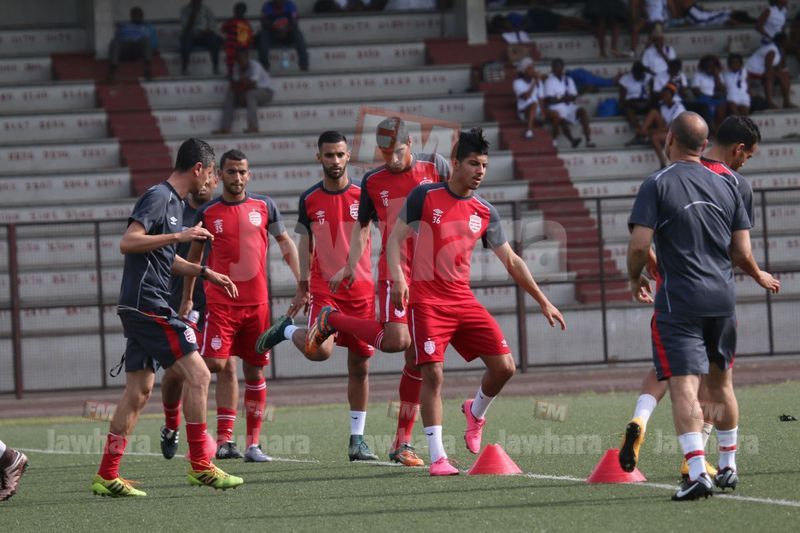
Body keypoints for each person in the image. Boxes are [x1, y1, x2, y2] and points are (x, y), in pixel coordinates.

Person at [384, 128, 565, 475]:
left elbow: (511, 260)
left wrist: (543, 300)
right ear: (455, 163)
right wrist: (399, 277)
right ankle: (438, 457)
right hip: (427, 302)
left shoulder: (484, 211)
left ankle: (475, 411)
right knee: (433, 373)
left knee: (505, 367)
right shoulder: (425, 195)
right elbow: (394, 240)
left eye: (484, 165)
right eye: (473, 164)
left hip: (463, 301)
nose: (480, 171)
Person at [619, 115, 781, 479]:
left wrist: (641, 272)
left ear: (671, 139)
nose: (745, 161)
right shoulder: (733, 184)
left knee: (679, 380)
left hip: (678, 296)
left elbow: (640, 242)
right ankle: (726, 464)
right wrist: (756, 273)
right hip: (721, 296)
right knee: (719, 383)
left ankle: (688, 461)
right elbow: (740, 251)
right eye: (748, 155)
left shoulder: (661, 181)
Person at [92, 138, 243, 497]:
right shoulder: (160, 197)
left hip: (139, 304)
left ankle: (107, 475)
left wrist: (204, 272)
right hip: (147, 303)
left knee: (139, 391)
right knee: (199, 374)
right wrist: (180, 234)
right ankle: (201, 465)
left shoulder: (173, 203)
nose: (211, 181)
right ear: (198, 169)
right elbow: (129, 242)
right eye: (211, 174)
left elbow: (162, 257)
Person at [306, 117, 451, 466]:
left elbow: (455, 201)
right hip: (394, 272)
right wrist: (350, 264)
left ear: (410, 144)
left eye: (398, 151)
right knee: (396, 341)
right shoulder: (373, 181)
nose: (392, 159)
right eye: (386, 153)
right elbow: (362, 227)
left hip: (431, 277)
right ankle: (332, 319)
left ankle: (402, 442)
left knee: (419, 360)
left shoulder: (436, 167)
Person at [256, 131, 383, 462]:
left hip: (361, 291)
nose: (335, 161)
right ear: (319, 158)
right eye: (329, 155)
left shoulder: (364, 195)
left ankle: (357, 440)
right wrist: (302, 285)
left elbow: (381, 232)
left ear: (348, 156)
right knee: (318, 352)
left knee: (360, 365)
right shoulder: (309, 198)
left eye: (340, 154)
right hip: (325, 289)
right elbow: (304, 243)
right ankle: (286, 331)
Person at [181, 149, 304, 463]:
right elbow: (194, 259)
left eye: (242, 172)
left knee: (255, 368)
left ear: (249, 175)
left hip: (257, 304)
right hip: (221, 303)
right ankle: (213, 435)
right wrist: (187, 297)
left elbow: (286, 243)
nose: (237, 177)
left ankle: (251, 445)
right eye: (231, 172)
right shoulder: (207, 212)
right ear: (219, 175)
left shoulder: (264, 206)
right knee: (216, 364)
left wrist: (302, 282)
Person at [158, 169, 239, 461]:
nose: (204, 184)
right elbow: (165, 257)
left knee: (227, 364)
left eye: (210, 178)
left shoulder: (220, 212)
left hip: (216, 301)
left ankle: (224, 440)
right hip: (181, 302)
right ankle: (171, 425)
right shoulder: (175, 211)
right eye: (201, 176)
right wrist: (185, 297)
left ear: (216, 180)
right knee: (176, 370)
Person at [215, 49, 274, 135]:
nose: (242, 61)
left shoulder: (255, 66)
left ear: (247, 57)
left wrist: (242, 84)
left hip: (266, 91)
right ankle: (225, 128)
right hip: (246, 92)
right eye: (239, 59)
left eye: (244, 58)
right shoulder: (236, 67)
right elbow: (234, 85)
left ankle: (253, 126)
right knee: (230, 94)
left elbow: (252, 84)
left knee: (250, 94)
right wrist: (240, 93)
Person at [543, 58, 595, 148]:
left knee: (582, 111)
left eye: (558, 67)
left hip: (569, 106)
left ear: (562, 68)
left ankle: (588, 140)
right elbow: (550, 100)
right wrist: (565, 98)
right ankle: (572, 140)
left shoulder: (569, 80)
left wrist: (560, 98)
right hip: (555, 108)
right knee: (560, 118)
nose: (555, 69)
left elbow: (573, 97)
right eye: (554, 67)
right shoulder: (549, 81)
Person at [637, 84, 686, 167]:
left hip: (677, 134)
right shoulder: (663, 106)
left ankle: (664, 164)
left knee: (654, 137)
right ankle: (641, 134)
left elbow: (672, 128)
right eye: (663, 95)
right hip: (667, 131)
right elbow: (663, 123)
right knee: (653, 112)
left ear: (672, 96)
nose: (664, 97)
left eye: (666, 95)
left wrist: (650, 132)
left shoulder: (679, 108)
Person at [107, 6, 158, 82]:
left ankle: (148, 69)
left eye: (139, 15)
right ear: (131, 16)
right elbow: (117, 39)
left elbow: (153, 44)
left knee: (146, 40)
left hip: (137, 49)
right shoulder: (123, 26)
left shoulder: (147, 27)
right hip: (124, 50)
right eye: (135, 15)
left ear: (142, 16)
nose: (137, 17)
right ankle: (112, 70)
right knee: (114, 41)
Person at [745, 33, 795, 110]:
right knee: (770, 76)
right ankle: (769, 102)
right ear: (782, 41)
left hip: (761, 72)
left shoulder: (779, 50)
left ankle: (786, 102)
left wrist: (782, 74)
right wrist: (778, 75)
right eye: (787, 40)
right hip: (752, 72)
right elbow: (768, 66)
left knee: (785, 75)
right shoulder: (771, 50)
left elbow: (777, 66)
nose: (789, 42)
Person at [258, 0, 309, 71]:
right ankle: (264, 67)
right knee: (263, 34)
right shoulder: (267, 6)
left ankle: (304, 65)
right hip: (273, 34)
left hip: (288, 33)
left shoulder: (290, 5)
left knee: (298, 33)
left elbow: (295, 22)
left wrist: (286, 30)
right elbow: (264, 23)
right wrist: (277, 29)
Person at [179, 0, 222, 76]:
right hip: (191, 35)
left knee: (214, 39)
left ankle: (216, 68)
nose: (197, 2)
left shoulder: (207, 9)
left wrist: (206, 31)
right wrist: (193, 15)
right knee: (185, 40)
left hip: (204, 35)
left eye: (199, 1)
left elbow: (212, 25)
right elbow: (185, 28)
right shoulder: (185, 10)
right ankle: (184, 69)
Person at [620, 61, 654, 146]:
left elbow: (652, 95)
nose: (639, 76)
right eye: (637, 74)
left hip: (646, 102)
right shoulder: (625, 79)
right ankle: (640, 133)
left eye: (641, 74)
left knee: (654, 109)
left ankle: (641, 135)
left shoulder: (649, 78)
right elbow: (622, 100)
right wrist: (635, 103)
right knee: (628, 109)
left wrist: (647, 103)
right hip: (631, 102)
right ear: (633, 73)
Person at [691, 54, 726, 128]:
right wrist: (709, 97)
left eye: (712, 65)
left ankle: (719, 129)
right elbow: (696, 91)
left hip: (716, 98)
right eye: (707, 65)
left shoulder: (718, 75)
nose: (709, 67)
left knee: (721, 106)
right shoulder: (698, 75)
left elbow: (722, 89)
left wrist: (716, 76)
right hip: (704, 98)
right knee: (708, 107)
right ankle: (712, 128)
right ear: (703, 65)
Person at [221, 2, 255, 78]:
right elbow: (222, 30)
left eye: (240, 10)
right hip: (231, 45)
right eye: (237, 10)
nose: (238, 12)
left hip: (240, 48)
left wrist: (243, 47)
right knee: (231, 57)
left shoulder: (244, 24)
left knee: (240, 56)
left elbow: (244, 41)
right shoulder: (231, 22)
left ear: (244, 12)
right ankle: (231, 74)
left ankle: (241, 75)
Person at [513, 57, 543, 140]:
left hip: (537, 110)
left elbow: (541, 98)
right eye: (530, 68)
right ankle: (529, 131)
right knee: (534, 104)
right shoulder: (517, 83)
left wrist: (543, 112)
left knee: (555, 112)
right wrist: (534, 82)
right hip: (524, 111)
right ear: (524, 71)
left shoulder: (538, 81)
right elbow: (526, 97)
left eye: (533, 68)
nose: (533, 70)